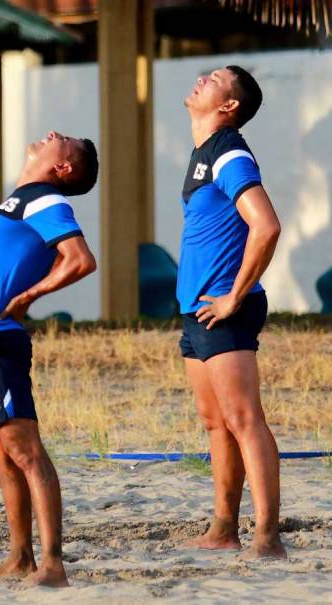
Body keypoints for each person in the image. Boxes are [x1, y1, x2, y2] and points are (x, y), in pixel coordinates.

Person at [0, 131, 98, 587]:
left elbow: (79, 260)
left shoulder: (45, 200)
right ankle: (20, 556)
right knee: (2, 458)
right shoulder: (17, 202)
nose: (51, 134)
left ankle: (53, 564)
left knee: (26, 453)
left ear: (64, 168)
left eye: (64, 140)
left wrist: (31, 294)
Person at [178, 66, 284, 558]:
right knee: (215, 422)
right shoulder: (203, 154)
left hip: (225, 306)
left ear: (229, 106)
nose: (203, 77)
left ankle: (267, 535)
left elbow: (266, 226)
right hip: (196, 309)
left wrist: (235, 296)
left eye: (215, 78)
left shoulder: (229, 151)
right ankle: (225, 528)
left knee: (245, 419)